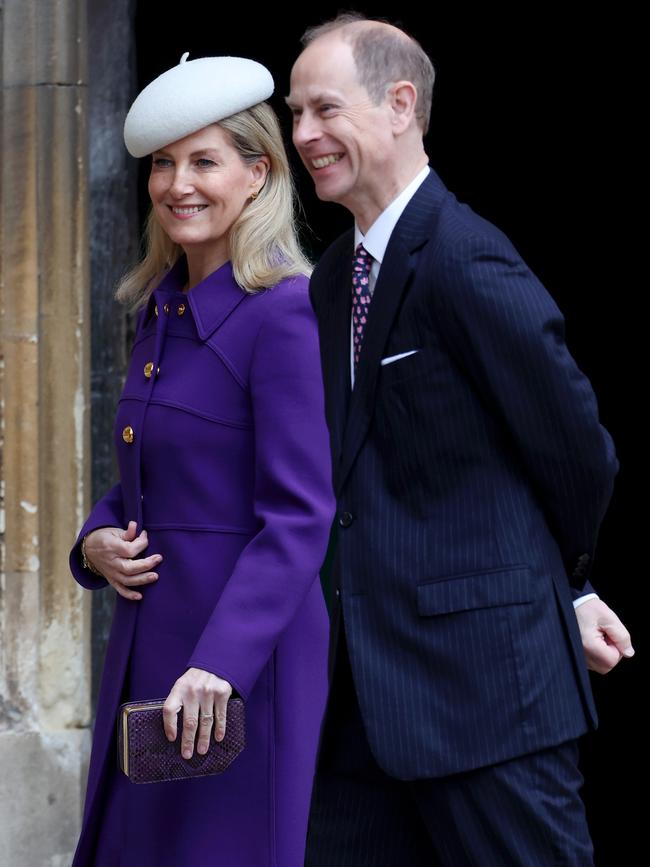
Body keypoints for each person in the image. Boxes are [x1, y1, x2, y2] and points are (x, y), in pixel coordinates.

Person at [287, 14, 634, 865]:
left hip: (486, 694)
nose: (304, 135)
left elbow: (576, 450)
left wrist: (568, 588)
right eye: (296, 114)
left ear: (400, 104)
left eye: (325, 109)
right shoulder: (335, 276)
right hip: (358, 707)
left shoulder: (468, 258)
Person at [69, 54, 334, 867]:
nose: (178, 184)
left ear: (257, 174)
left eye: (204, 161)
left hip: (236, 666)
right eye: (162, 163)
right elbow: (150, 474)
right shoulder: (161, 309)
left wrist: (220, 663)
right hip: (149, 652)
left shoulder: (285, 311)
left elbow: (300, 514)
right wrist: (93, 540)